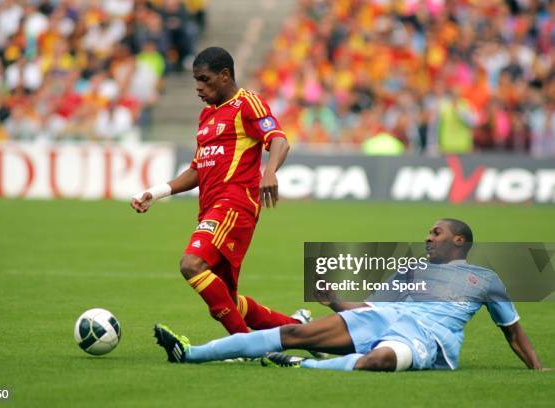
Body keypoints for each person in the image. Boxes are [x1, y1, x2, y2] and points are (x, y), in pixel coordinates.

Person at [154, 219, 545, 372]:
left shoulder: (486, 279)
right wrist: (335, 300)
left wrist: (536, 368)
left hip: (426, 337)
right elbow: (371, 308)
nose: (428, 237)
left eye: (436, 233)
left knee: (379, 360)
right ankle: (189, 353)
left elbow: (512, 330)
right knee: (296, 334)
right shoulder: (411, 270)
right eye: (428, 232)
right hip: (385, 320)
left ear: (459, 241)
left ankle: (298, 367)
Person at [132, 47, 306, 334]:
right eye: (195, 80)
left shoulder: (247, 104)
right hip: (211, 209)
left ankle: (246, 345)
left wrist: (270, 171)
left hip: (235, 204)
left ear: (225, 76)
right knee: (227, 302)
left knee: (191, 264)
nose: (198, 87)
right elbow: (197, 170)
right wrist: (158, 191)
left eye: (204, 79)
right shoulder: (206, 118)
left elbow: (278, 139)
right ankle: (300, 329)